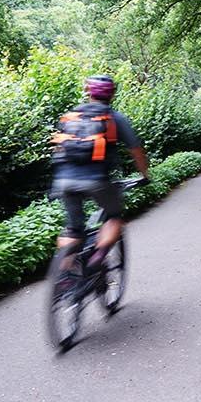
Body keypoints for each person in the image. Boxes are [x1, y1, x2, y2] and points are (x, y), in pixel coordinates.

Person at [51, 75, 151, 270]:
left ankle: (64, 277)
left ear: (88, 92)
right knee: (114, 216)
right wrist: (144, 175)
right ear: (112, 94)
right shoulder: (114, 118)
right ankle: (98, 257)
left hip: (64, 180)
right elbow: (136, 150)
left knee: (73, 230)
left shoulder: (71, 116)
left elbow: (59, 149)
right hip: (96, 181)